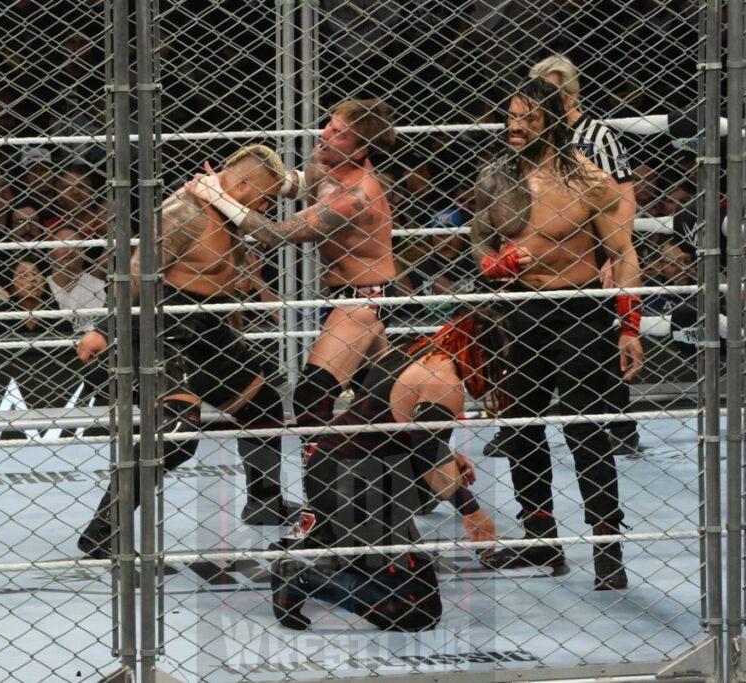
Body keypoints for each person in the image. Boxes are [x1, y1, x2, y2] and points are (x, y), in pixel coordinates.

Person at [74, 144, 299, 559]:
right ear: (244, 182)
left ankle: (265, 502)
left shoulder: (229, 211)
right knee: (177, 437)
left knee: (263, 405)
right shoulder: (183, 212)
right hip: (162, 327)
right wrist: (106, 330)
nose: (268, 205)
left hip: (207, 329)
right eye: (265, 196)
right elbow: (136, 273)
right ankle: (103, 529)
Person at [471, 78, 644, 590]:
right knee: (521, 426)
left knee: (585, 429)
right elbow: (477, 237)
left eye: (527, 117)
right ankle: (540, 540)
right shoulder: (494, 177)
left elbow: (623, 252)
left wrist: (630, 325)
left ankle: (607, 547)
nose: (514, 126)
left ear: (552, 119)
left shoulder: (588, 178)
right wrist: (491, 262)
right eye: (510, 116)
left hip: (580, 309)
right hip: (520, 313)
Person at [270, 307, 521, 632]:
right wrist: (472, 512)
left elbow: (410, 429)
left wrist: (446, 451)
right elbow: (428, 458)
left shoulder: (417, 349)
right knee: (419, 614)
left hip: (340, 467)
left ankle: (326, 544)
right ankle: (304, 578)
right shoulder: (444, 384)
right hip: (359, 486)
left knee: (419, 584)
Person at [186, 98, 397, 466]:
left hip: (364, 301)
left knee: (311, 399)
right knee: (384, 400)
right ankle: (418, 490)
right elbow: (297, 184)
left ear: (361, 149)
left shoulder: (357, 197)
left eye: (339, 134)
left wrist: (219, 196)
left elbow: (279, 235)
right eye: (329, 125)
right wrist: (238, 182)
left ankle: (323, 496)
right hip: (347, 298)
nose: (325, 136)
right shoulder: (328, 165)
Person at [527, 54, 643, 458]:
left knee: (595, 336)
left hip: (593, 246)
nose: (549, 99)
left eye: (555, 91)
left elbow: (622, 198)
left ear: (572, 95)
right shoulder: (528, 136)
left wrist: (616, 253)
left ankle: (620, 421)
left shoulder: (597, 136)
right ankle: (521, 426)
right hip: (544, 253)